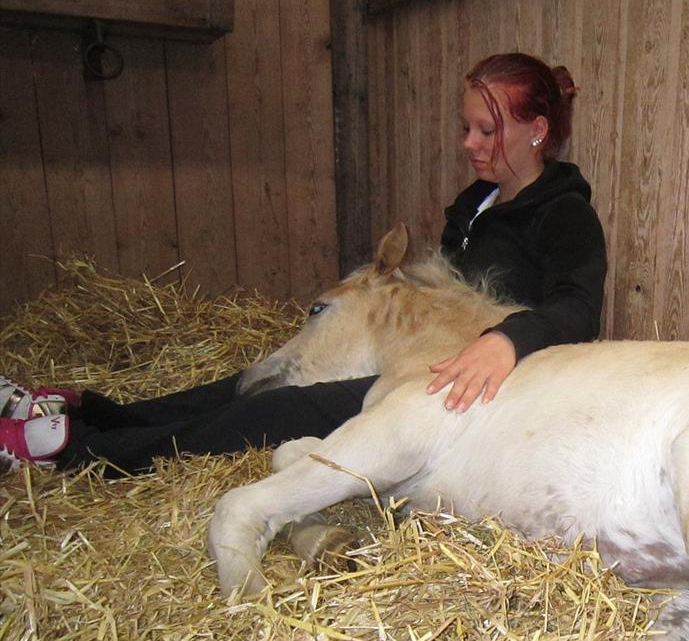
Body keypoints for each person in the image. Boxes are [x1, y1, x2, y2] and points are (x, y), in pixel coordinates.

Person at [0, 52, 606, 476]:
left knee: (277, 408)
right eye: (466, 127)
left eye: (486, 130)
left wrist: (504, 340)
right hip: (421, 362)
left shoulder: (562, 213)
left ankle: (82, 452)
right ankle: (92, 414)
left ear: (537, 131)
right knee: (259, 376)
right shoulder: (477, 204)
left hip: (460, 388)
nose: (468, 144)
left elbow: (577, 308)